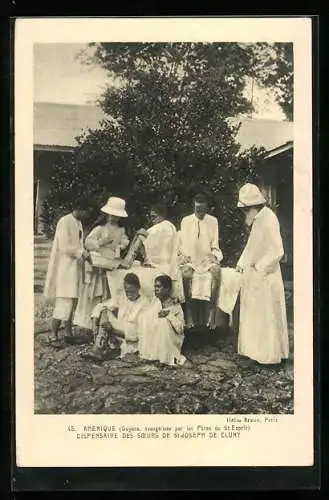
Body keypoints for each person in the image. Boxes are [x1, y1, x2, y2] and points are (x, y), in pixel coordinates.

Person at [236, 183, 289, 365]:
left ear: (253, 207)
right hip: (254, 275)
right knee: (254, 315)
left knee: (266, 316)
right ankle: (254, 351)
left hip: (266, 276)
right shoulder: (258, 219)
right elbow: (252, 247)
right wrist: (241, 264)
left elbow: (277, 250)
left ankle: (268, 355)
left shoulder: (269, 219)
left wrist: (259, 267)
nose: (244, 214)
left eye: (245, 210)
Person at [73, 197, 129, 331]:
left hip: (111, 263)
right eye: (112, 215)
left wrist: (121, 245)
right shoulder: (100, 228)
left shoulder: (121, 230)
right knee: (95, 292)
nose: (113, 218)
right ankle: (88, 323)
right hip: (99, 263)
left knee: (109, 292)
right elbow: (88, 243)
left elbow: (125, 241)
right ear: (107, 214)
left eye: (116, 216)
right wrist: (100, 243)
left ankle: (104, 323)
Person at [43, 199, 91, 348]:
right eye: (86, 212)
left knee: (73, 301)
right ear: (79, 208)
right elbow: (64, 246)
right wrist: (82, 253)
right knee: (64, 302)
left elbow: (78, 243)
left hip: (74, 268)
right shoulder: (65, 221)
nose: (88, 215)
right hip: (65, 268)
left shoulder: (78, 222)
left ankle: (68, 334)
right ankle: (53, 335)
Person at [178, 193, 223, 329]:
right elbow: (181, 244)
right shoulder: (186, 221)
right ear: (194, 208)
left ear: (207, 207)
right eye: (198, 210)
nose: (201, 213)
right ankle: (189, 315)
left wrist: (215, 256)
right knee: (186, 275)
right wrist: (182, 256)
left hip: (206, 259)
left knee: (216, 272)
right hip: (190, 259)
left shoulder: (213, 221)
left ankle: (212, 315)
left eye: (203, 210)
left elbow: (215, 245)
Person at [81, 273, 148, 362]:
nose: (129, 295)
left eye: (132, 291)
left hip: (129, 336)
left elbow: (138, 334)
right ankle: (97, 348)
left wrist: (113, 330)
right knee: (105, 311)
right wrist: (94, 322)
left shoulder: (144, 304)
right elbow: (102, 305)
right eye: (127, 291)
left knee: (108, 323)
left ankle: (98, 350)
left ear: (138, 288)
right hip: (118, 327)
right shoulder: (123, 297)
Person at [139, 275, 186, 367]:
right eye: (155, 287)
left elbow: (180, 329)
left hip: (172, 339)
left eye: (158, 287)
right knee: (144, 317)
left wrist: (169, 315)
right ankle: (150, 354)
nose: (156, 289)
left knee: (163, 322)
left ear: (167, 289)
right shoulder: (155, 302)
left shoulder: (175, 305)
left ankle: (164, 357)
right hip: (156, 337)